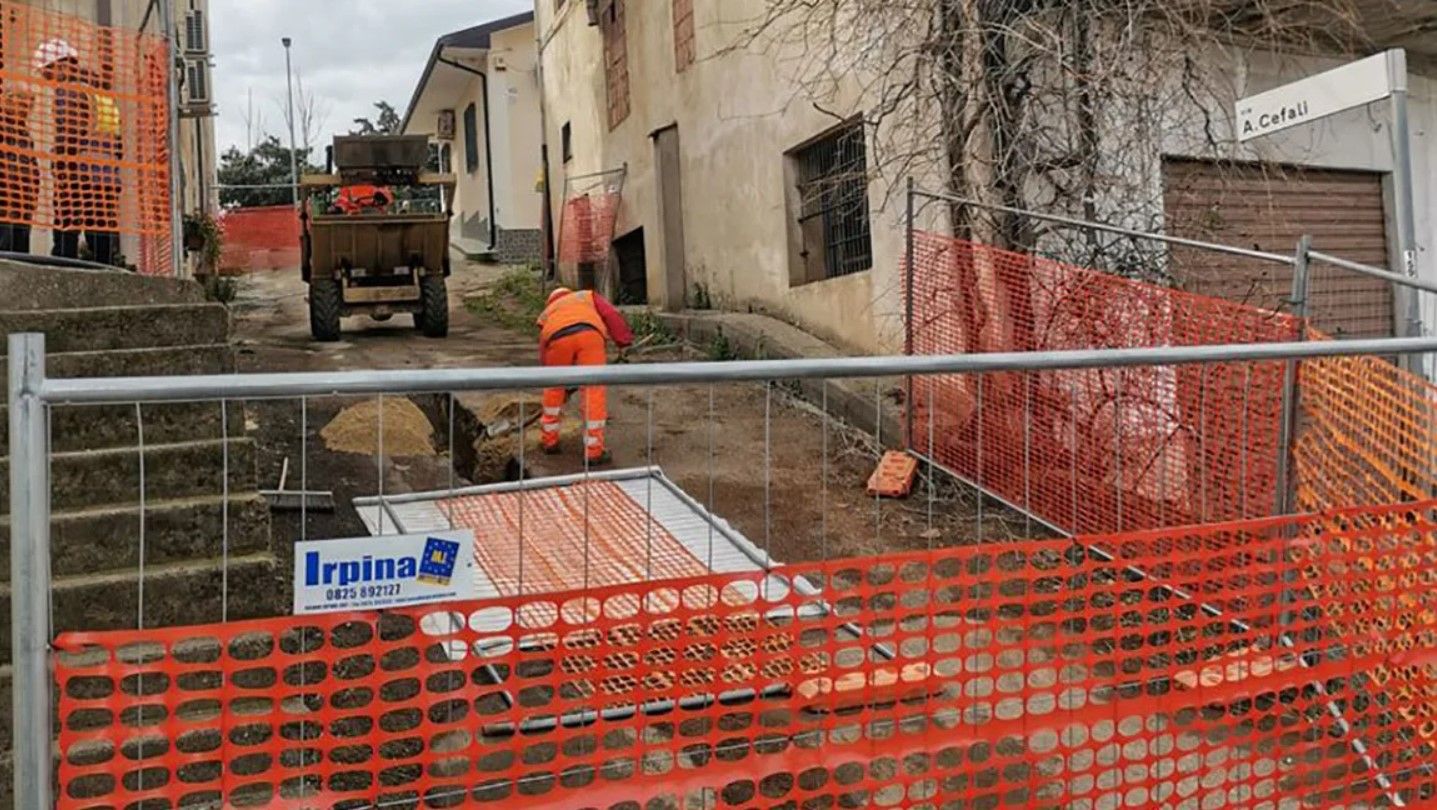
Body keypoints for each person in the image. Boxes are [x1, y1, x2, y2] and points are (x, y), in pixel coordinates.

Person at [36, 39, 123, 266]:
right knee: (101, 230)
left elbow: (69, 132)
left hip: (78, 172)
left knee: (67, 228)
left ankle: (64, 274)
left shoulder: (69, 90)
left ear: (62, 65)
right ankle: (106, 273)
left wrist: (60, 162)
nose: (48, 80)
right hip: (107, 175)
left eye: (48, 72)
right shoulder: (102, 93)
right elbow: (117, 140)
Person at [536, 287, 633, 465]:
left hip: (557, 338)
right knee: (593, 389)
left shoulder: (547, 313)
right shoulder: (586, 296)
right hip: (590, 335)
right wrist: (623, 341)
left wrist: (549, 376)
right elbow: (611, 314)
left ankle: (549, 441)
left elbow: (543, 345)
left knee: (553, 388)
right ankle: (593, 451)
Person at [0, 86, 38, 253]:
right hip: (5, 202)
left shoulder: (25, 135)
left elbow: (32, 166)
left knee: (20, 248)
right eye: (22, 105)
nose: (26, 111)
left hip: (22, 203)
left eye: (28, 107)